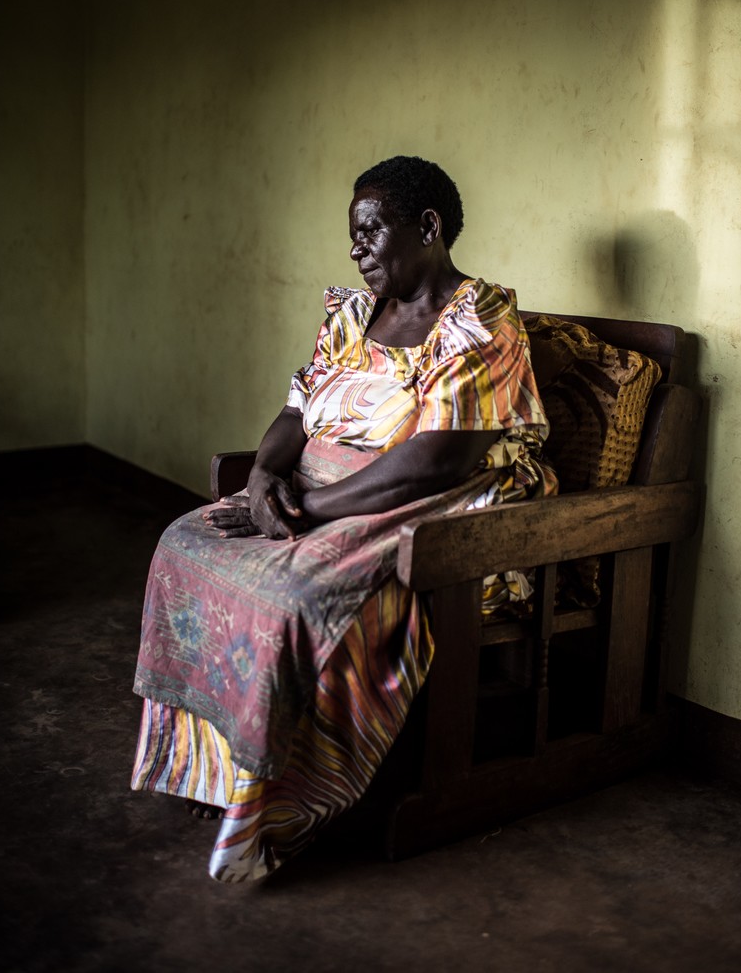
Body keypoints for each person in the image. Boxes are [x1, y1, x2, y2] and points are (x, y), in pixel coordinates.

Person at [131, 155, 557, 882]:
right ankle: (221, 772)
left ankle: (270, 804)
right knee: (183, 544)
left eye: (370, 231)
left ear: (427, 227)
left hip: (421, 508)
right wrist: (266, 476)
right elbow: (297, 410)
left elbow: (438, 461)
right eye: (352, 235)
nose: (356, 249)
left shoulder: (480, 320)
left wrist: (307, 511)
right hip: (309, 494)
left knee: (295, 599)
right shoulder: (357, 316)